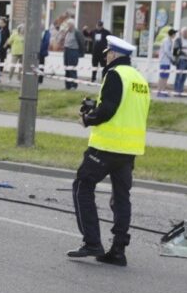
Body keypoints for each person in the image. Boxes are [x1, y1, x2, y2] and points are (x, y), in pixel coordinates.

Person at [68, 35, 151, 267]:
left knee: (82, 186)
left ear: (113, 54)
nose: (104, 57)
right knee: (121, 198)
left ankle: (92, 241)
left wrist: (88, 118)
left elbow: (109, 110)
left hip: (107, 146)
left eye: (106, 54)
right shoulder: (139, 79)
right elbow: (128, 109)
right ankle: (118, 249)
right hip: (130, 149)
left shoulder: (114, 74)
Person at [173, 27, 187, 95]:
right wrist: (184, 54)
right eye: (185, 33)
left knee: (185, 76)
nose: (186, 34)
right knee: (180, 75)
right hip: (182, 60)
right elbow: (175, 51)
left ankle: (181, 90)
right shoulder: (178, 40)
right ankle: (177, 91)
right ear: (181, 33)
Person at [63, 23, 83, 89]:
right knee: (67, 68)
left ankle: (74, 85)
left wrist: (81, 53)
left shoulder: (76, 32)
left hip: (73, 51)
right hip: (67, 51)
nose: (67, 27)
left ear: (72, 26)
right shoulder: (67, 32)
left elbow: (81, 42)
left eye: (68, 26)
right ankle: (67, 85)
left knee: (72, 69)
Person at [156, 27, 176, 96]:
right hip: (164, 61)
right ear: (172, 34)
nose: (175, 35)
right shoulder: (166, 40)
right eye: (174, 34)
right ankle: (159, 91)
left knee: (166, 77)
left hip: (167, 61)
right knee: (162, 77)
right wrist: (172, 58)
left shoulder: (170, 40)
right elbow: (167, 51)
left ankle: (163, 90)